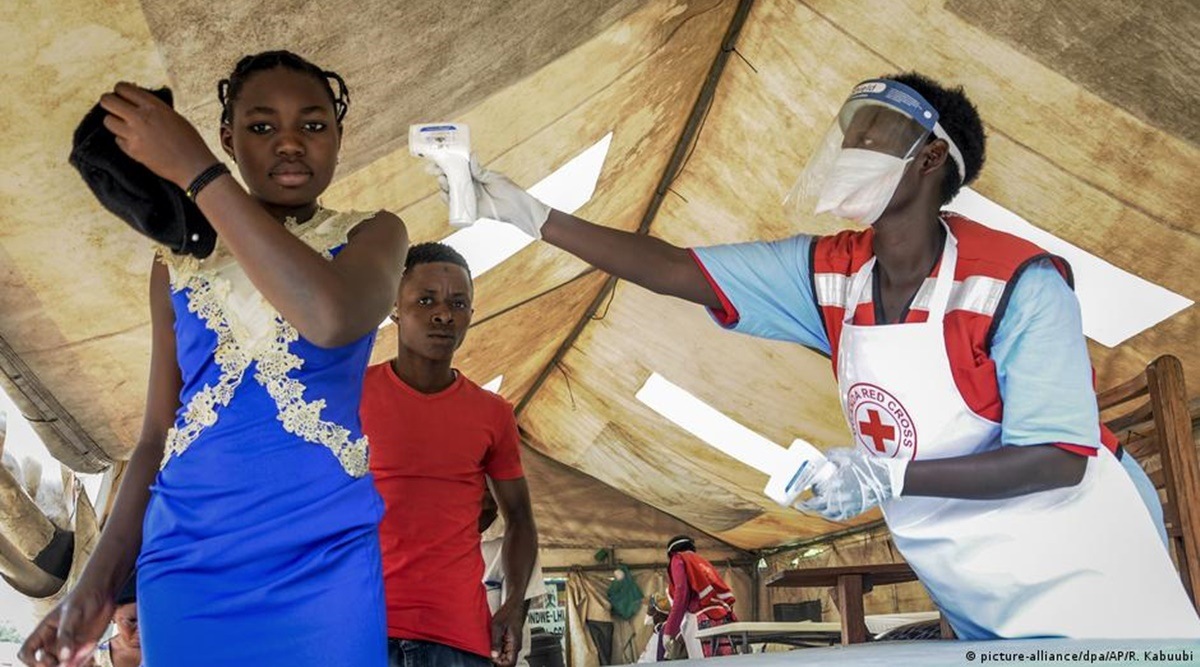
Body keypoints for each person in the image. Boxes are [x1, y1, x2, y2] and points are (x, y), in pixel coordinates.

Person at [435, 72, 1200, 639]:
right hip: (977, 585)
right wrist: (530, 215)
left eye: (870, 133)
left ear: (931, 157)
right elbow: (677, 268)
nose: (847, 148)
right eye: (850, 132)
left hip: (1086, 564)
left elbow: (1057, 458)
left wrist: (887, 473)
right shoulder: (834, 272)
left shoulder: (1017, 283)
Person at [21, 50, 408, 667]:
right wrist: (95, 583)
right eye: (260, 127)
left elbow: (332, 318)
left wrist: (197, 173)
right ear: (229, 137)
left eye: (312, 125)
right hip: (187, 562)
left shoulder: (374, 235)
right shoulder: (174, 262)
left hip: (323, 556)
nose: (289, 144)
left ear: (338, 138)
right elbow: (153, 436)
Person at [360, 242, 539, 667]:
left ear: (471, 316)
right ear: (394, 309)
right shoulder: (350, 396)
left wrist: (514, 605)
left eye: (458, 303)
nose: (444, 314)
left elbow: (520, 519)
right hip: (361, 628)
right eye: (426, 300)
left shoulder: (493, 414)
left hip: (460, 640)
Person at [479, 487, 547, 667]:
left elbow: (516, 615)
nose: (484, 492)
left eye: (490, 485)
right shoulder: (447, 543)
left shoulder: (519, 542)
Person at [659, 536, 736, 659]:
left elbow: (681, 595)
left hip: (700, 619)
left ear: (671, 552)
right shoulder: (703, 562)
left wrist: (669, 630)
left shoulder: (678, 558)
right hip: (723, 619)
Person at [87, 574, 139, 667]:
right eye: (132, 621)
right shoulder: (96, 659)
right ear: (111, 615)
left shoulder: (167, 650)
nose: (143, 630)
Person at [636, 593, 671, 663]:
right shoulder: (657, 631)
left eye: (651, 611)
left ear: (658, 614)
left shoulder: (665, 631)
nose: (649, 614)